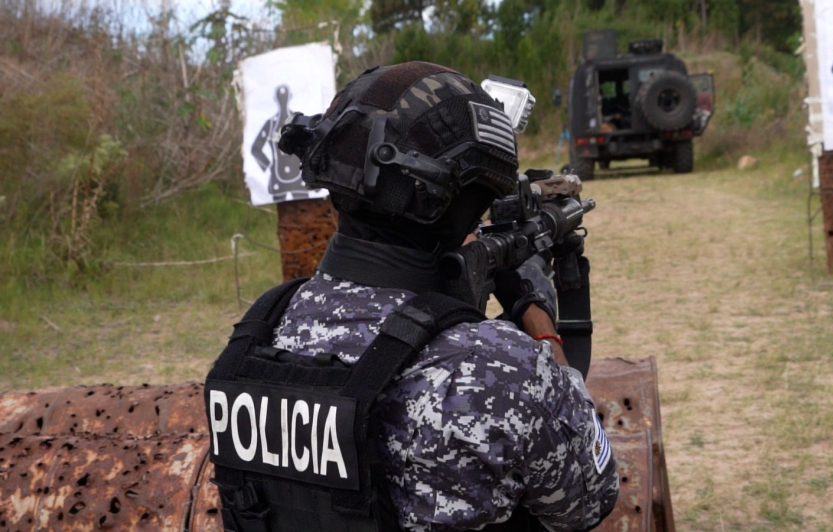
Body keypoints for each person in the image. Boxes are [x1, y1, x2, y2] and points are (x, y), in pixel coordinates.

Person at [208, 61, 618, 531]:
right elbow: (590, 500)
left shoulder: (257, 333)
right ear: (461, 204)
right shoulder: (499, 371)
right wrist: (539, 325)